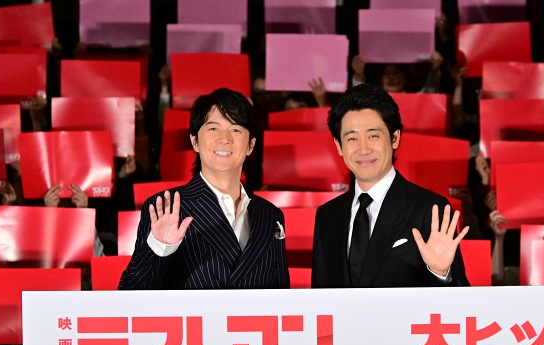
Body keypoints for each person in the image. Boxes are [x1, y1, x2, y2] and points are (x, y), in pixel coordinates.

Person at [119, 88, 290, 290]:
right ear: (195, 142)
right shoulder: (167, 208)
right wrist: (160, 247)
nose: (225, 138)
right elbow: (130, 294)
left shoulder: (270, 215)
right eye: (213, 128)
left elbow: (281, 296)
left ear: (251, 145)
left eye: (236, 129)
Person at [312, 84, 469, 288]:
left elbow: (459, 300)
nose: (363, 149)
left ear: (395, 138)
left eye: (373, 136)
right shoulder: (328, 215)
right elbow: (320, 296)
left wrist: (440, 274)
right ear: (339, 146)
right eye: (352, 138)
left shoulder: (429, 209)